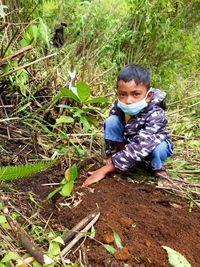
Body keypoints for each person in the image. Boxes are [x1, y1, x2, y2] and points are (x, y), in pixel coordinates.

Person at [83, 64, 173, 187]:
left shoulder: (156, 113)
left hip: (149, 144)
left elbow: (143, 144)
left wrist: (105, 169)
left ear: (149, 96)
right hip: (129, 142)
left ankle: (157, 167)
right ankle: (120, 156)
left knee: (160, 149)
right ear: (118, 93)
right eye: (123, 94)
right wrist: (112, 155)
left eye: (136, 94)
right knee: (111, 122)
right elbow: (112, 130)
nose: (128, 100)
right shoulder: (118, 106)